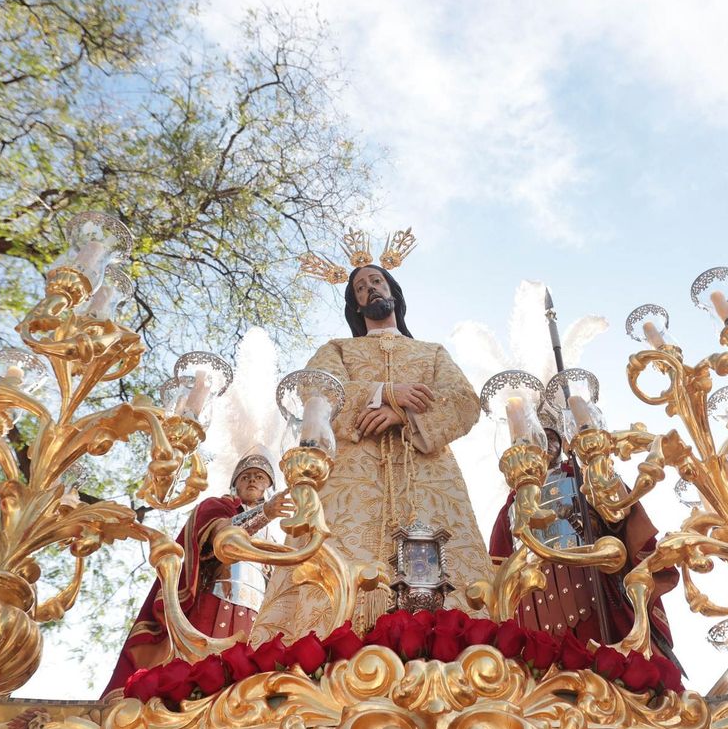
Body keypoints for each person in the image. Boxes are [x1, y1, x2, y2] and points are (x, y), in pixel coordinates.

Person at [252, 260, 492, 639]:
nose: (371, 289)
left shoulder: (431, 353)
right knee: (335, 572)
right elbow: (317, 390)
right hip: (353, 479)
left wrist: (402, 415)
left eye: (376, 281)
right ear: (356, 304)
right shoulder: (338, 349)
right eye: (361, 287)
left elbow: (464, 401)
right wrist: (384, 392)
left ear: (393, 292)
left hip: (429, 476)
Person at [487, 415, 682, 669]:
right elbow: (499, 565)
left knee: (607, 661)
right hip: (534, 599)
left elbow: (619, 515)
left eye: (549, 440)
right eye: (535, 443)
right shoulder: (514, 504)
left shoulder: (584, 477)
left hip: (586, 577)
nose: (544, 449)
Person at [103, 448, 291, 695]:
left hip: (258, 615)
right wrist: (264, 514)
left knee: (247, 687)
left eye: (259, 476)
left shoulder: (274, 536)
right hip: (215, 602)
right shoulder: (218, 506)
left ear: (268, 484)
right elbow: (224, 537)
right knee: (202, 678)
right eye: (245, 476)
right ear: (235, 484)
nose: (252, 480)